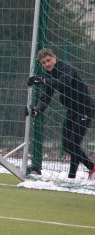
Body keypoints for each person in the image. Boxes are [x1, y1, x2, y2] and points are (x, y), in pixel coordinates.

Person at [27, 48, 95, 179]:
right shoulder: (48, 76)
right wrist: (36, 110)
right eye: (43, 63)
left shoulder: (66, 68)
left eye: (48, 60)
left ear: (54, 57)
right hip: (72, 111)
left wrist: (43, 80)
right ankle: (73, 177)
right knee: (67, 145)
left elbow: (65, 83)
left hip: (85, 108)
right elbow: (45, 98)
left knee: (73, 143)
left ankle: (89, 168)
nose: (46, 64)